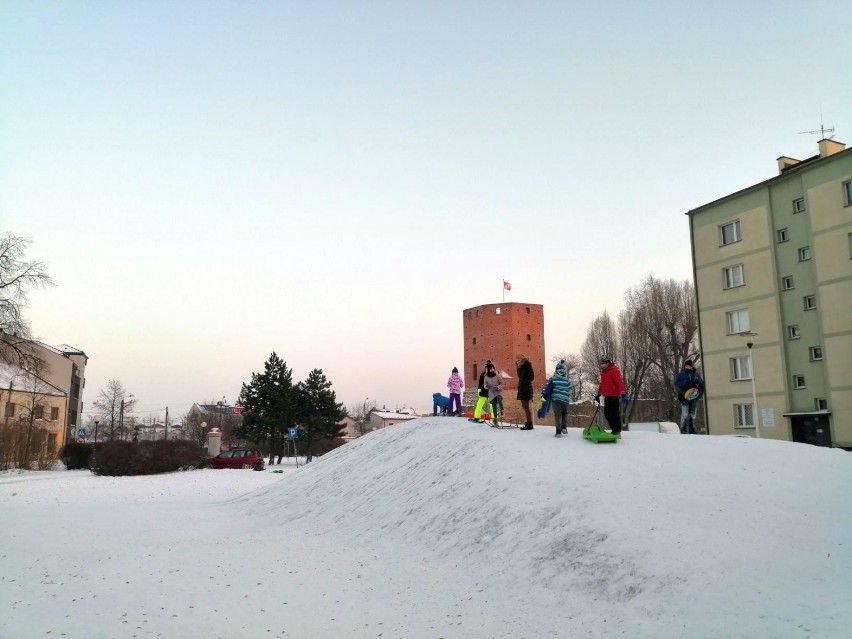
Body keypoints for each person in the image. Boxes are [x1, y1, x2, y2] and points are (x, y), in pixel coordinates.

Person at [595, 356, 626, 438]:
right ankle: (614, 430)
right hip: (607, 396)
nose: (601, 365)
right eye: (601, 364)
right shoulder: (604, 373)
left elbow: (619, 382)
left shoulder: (613, 370)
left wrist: (622, 392)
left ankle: (617, 431)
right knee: (607, 414)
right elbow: (602, 384)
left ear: (607, 363)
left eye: (603, 364)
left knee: (614, 414)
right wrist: (599, 394)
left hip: (614, 396)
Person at [675, 359, 704, 434]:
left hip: (694, 397)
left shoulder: (696, 374)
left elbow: (701, 383)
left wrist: (696, 380)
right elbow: (677, 383)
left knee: (693, 413)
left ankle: (692, 428)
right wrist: (686, 382)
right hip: (684, 396)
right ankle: (683, 428)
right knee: (685, 413)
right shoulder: (681, 374)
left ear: (691, 367)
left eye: (688, 366)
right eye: (686, 366)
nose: (687, 367)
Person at [549, 361, 573, 437]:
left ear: (556, 369)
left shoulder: (552, 379)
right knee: (564, 413)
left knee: (558, 414)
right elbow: (570, 388)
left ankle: (558, 432)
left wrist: (543, 396)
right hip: (565, 399)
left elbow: (547, 388)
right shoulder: (567, 380)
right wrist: (566, 395)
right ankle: (564, 428)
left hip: (556, 399)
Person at [515, 354, 535, 430]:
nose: (517, 361)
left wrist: (524, 382)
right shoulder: (519, 367)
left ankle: (529, 424)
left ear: (522, 359)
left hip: (526, 388)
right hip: (522, 388)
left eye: (518, 359)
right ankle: (529, 423)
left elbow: (532, 377)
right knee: (524, 406)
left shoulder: (527, 365)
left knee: (526, 406)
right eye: (516, 360)